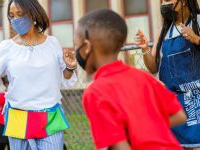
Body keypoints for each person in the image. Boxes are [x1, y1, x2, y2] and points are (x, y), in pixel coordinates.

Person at [75, 9, 187, 150]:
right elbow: (180, 115)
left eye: (76, 44)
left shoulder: (94, 92)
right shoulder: (143, 76)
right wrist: (146, 128)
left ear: (86, 47)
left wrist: (134, 132)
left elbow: (121, 147)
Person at [0, 0, 77, 149]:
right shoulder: (6, 47)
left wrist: (69, 67)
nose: (15, 19)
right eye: (11, 16)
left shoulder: (52, 43)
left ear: (33, 14)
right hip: (18, 117)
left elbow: (66, 79)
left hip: (50, 116)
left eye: (20, 14)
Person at [135, 0, 200, 149]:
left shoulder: (198, 21)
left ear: (183, 2)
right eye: (162, 1)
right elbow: (153, 67)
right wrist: (145, 48)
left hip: (196, 103)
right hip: (173, 105)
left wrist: (196, 39)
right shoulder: (164, 30)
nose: (165, 4)